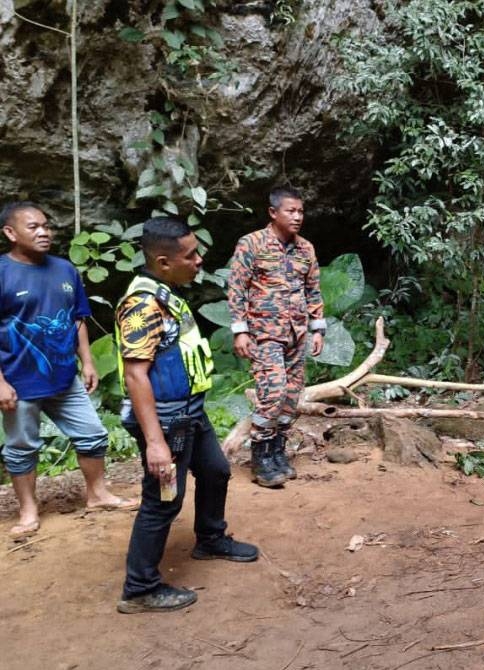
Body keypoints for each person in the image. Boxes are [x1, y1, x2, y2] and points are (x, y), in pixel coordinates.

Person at [116, 217, 258, 614]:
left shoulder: (166, 293)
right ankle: (139, 589)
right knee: (162, 499)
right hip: (166, 421)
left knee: (215, 471)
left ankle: (210, 539)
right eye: (190, 255)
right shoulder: (141, 305)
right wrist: (156, 443)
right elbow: (135, 375)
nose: (199, 260)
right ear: (163, 261)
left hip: (190, 413)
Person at [0, 201, 136, 540]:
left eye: (46, 225)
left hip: (64, 377)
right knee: (21, 447)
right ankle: (29, 510)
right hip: (19, 380)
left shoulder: (64, 270)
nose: (44, 232)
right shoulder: (2, 272)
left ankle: (98, 493)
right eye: (33, 227)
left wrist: (87, 361)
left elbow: (78, 319)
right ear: (10, 233)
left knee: (92, 434)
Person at [227, 186, 325, 488]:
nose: (297, 217)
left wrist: (317, 327)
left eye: (300, 211)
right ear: (273, 212)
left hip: (296, 334)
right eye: (290, 211)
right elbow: (237, 287)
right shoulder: (252, 244)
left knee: (292, 396)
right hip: (264, 334)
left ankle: (276, 451)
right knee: (273, 391)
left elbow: (313, 289)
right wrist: (240, 330)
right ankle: (260, 457)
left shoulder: (305, 248)